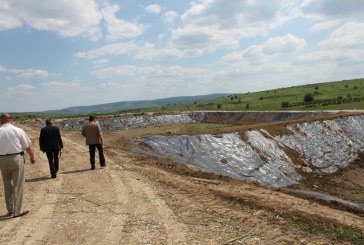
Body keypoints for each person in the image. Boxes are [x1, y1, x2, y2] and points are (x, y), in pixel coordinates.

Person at [0, 113, 36, 218]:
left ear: (1, 121)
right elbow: (27, 146)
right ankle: (17, 211)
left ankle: (10, 210)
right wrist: (32, 156)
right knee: (18, 185)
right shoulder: (18, 130)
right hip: (16, 158)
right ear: (11, 121)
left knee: (7, 185)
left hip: (2, 159)